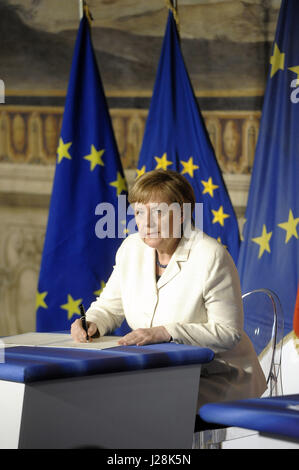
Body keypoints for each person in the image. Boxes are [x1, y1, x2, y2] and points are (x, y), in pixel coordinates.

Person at [71, 169, 266, 407]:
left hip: (215, 377)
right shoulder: (131, 249)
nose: (146, 223)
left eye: (159, 213)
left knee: (136, 406)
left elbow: (228, 333)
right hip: (159, 373)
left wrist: (166, 332)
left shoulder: (210, 255)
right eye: (140, 213)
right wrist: (91, 323)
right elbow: (109, 308)